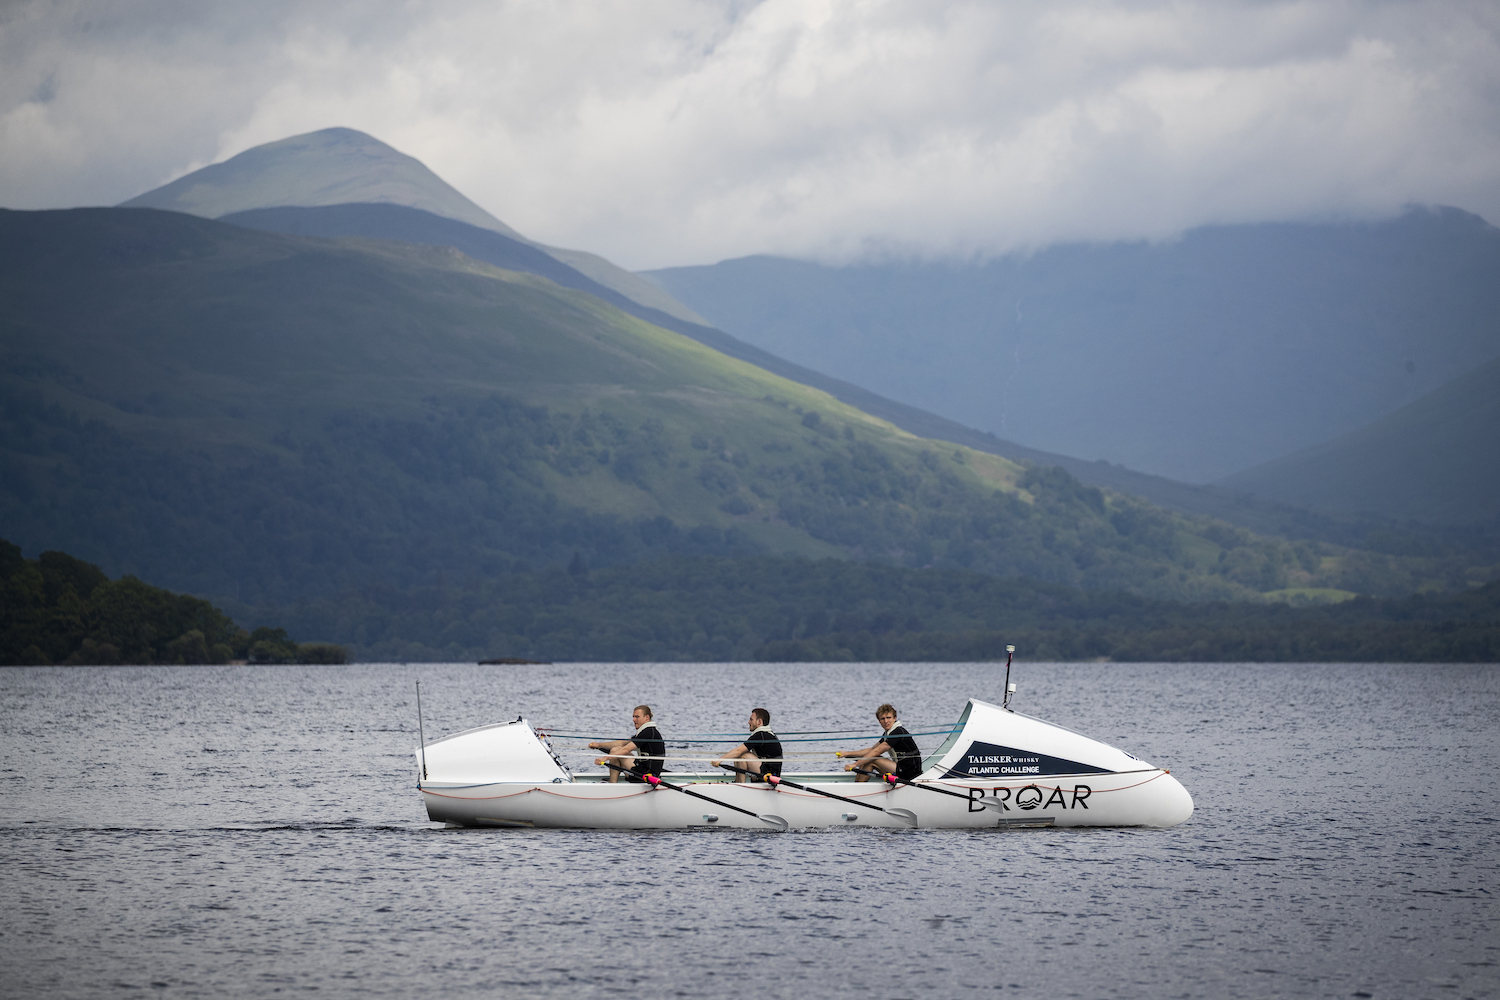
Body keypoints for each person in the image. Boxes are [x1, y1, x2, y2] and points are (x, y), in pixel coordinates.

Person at [837, 703, 923, 782]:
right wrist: (846, 753)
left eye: (888, 718)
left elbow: (876, 752)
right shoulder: (888, 733)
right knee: (868, 758)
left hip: (910, 773)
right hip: (900, 768)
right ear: (879, 721)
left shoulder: (898, 732)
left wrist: (855, 764)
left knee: (872, 758)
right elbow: (872, 749)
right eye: (883, 718)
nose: (886, 721)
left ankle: (857, 790)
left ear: (895, 718)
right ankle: (856, 787)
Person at [588, 704, 665, 783]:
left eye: (637, 717)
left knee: (616, 751)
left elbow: (626, 749)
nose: (634, 720)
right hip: (644, 769)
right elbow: (622, 743)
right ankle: (612, 784)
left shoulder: (648, 732)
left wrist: (604, 758)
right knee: (616, 750)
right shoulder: (647, 731)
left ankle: (612, 785)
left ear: (647, 717)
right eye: (633, 717)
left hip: (648, 776)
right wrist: (598, 745)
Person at [711, 707, 782, 782]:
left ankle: (740, 785)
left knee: (743, 755)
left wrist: (720, 760)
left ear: (759, 721)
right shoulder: (765, 733)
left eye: (751, 719)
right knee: (739, 755)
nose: (748, 722)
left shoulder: (761, 735)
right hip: (766, 770)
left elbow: (738, 750)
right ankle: (738, 782)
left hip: (769, 775)